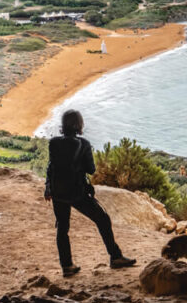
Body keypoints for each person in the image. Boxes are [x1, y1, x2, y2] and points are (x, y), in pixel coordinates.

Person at [45, 110, 136, 277]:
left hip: (58, 192)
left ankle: (67, 266)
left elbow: (51, 167)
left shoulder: (53, 143)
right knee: (102, 219)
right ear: (79, 125)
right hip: (77, 192)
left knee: (62, 227)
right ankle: (115, 257)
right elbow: (91, 169)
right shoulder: (84, 144)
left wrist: (48, 188)